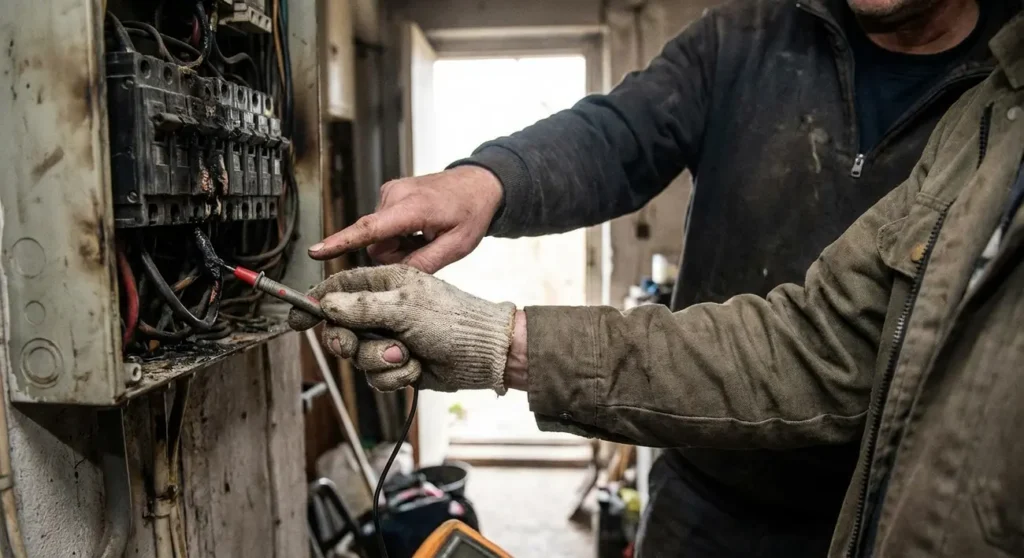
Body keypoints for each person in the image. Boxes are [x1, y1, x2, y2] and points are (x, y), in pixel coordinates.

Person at [304, 0, 1021, 555]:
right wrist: (486, 181)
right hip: (707, 494)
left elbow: (821, 345)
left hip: (875, 511)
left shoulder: (999, 100)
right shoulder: (744, 37)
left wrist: (500, 343)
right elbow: (617, 136)